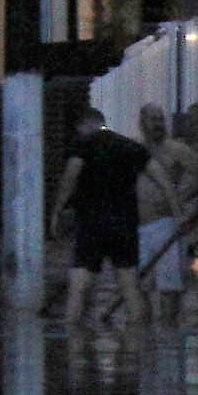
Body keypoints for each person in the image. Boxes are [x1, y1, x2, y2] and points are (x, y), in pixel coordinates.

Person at [54, 107, 150, 332]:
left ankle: (73, 340)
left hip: (92, 224)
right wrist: (176, 209)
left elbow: (70, 177)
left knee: (79, 287)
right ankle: (141, 341)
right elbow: (161, 177)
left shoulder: (83, 145)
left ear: (82, 126)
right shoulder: (131, 147)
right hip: (125, 225)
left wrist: (56, 211)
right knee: (130, 287)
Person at [132, 103, 198, 328]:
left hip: (166, 225)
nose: (158, 124)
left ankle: (168, 334)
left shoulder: (175, 149)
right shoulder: (133, 148)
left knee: (169, 287)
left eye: (161, 119)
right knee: (141, 287)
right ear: (142, 123)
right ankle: (146, 337)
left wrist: (181, 197)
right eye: (153, 119)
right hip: (138, 226)